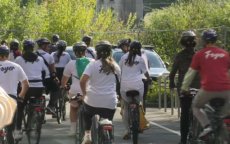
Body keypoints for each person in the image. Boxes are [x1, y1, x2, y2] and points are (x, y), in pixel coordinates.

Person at [181, 29, 230, 139]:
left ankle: (207, 126)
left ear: (203, 41)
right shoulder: (225, 54)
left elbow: (190, 74)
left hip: (208, 89)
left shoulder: (200, 54)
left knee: (196, 106)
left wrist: (184, 88)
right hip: (226, 90)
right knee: (225, 115)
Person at [80, 41, 121, 144]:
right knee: (108, 119)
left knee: (86, 113)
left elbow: (82, 81)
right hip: (110, 101)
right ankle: (109, 136)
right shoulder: (115, 66)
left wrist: (84, 93)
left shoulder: (92, 64)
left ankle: (88, 135)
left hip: (92, 100)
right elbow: (119, 83)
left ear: (97, 53)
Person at [14, 39, 50, 139]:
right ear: (33, 48)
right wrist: (44, 82)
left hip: (25, 88)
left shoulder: (19, 59)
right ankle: (37, 116)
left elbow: (15, 73)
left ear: (24, 48)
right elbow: (46, 73)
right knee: (37, 103)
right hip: (38, 87)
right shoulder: (40, 59)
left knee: (20, 107)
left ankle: (17, 131)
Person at [169, 30, 200, 144]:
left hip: (184, 89)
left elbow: (172, 73)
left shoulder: (180, 56)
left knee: (185, 114)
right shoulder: (199, 55)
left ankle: (183, 140)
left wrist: (171, 83)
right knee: (199, 112)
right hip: (198, 88)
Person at [119, 40, 151, 139]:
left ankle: (126, 130)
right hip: (138, 86)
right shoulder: (140, 59)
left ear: (129, 48)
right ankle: (139, 122)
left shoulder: (123, 57)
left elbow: (119, 71)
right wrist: (149, 79)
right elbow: (146, 73)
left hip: (124, 87)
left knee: (125, 108)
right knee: (139, 104)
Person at [61, 41, 93, 135]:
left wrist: (64, 87)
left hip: (75, 91)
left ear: (75, 52)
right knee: (92, 110)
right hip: (89, 91)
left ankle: (73, 130)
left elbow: (64, 80)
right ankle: (91, 130)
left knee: (73, 108)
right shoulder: (92, 62)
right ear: (85, 51)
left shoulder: (71, 63)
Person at [0, 45, 29, 143]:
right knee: (10, 129)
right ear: (8, 55)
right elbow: (26, 84)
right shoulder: (16, 66)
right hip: (11, 99)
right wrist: (20, 96)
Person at [36, 38, 58, 114]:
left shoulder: (33, 55)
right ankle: (51, 105)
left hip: (33, 80)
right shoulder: (49, 56)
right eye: (48, 46)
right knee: (56, 88)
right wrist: (55, 77)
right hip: (46, 80)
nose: (49, 47)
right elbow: (53, 70)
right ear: (43, 46)